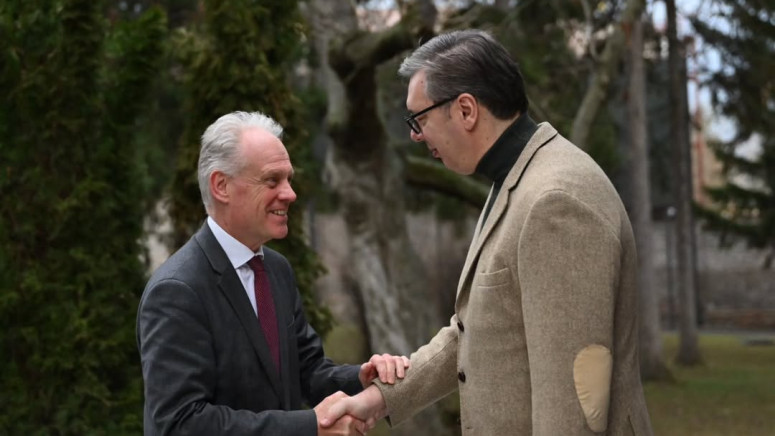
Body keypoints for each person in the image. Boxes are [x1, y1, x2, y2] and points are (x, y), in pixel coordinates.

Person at [321, 29, 654, 435]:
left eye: (420, 118)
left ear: (465, 110)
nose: (414, 134)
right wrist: (379, 398)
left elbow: (571, 404)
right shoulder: (518, 179)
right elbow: (474, 331)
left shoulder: (555, 202)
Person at [137, 111, 408, 435]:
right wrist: (309, 427)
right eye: (272, 180)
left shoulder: (276, 270)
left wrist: (361, 377)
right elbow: (181, 423)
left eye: (288, 179)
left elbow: (306, 370)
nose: (290, 194)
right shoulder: (177, 291)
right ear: (221, 186)